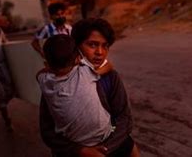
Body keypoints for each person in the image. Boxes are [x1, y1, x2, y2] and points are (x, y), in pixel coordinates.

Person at [39, 18, 140, 157]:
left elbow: (124, 118)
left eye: (105, 46)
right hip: (73, 152)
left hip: (109, 145)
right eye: (92, 45)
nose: (100, 52)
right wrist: (81, 151)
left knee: (132, 149)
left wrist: (104, 149)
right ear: (76, 48)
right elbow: (48, 131)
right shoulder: (56, 82)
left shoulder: (109, 77)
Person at [37, 34, 114, 148]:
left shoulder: (44, 81)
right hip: (103, 135)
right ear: (78, 59)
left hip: (74, 143)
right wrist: (94, 71)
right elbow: (109, 65)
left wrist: (49, 67)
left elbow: (38, 74)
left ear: (47, 64)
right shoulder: (85, 72)